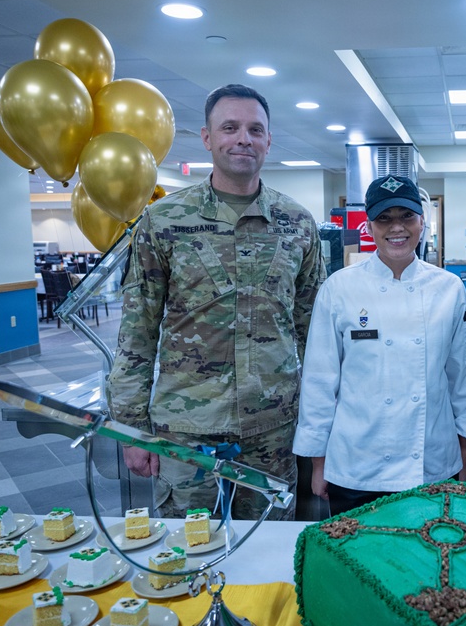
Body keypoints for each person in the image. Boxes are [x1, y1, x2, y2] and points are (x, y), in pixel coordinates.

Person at [107, 84, 326, 520]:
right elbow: (137, 331)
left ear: (268, 140)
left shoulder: (297, 223)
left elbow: (313, 333)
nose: (243, 138)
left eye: (255, 129)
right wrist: (130, 428)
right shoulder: (164, 220)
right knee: (188, 549)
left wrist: (319, 422)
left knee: (268, 545)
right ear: (207, 138)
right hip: (186, 430)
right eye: (230, 128)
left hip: (272, 427)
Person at [293, 175, 466, 515]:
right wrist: (319, 464)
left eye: (406, 216)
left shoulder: (449, 289)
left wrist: (464, 457)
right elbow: (319, 382)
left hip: (431, 462)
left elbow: (462, 379)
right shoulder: (339, 289)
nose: (397, 227)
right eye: (384, 218)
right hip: (355, 465)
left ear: (422, 222)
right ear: (369, 227)